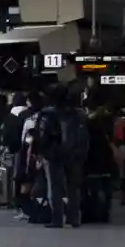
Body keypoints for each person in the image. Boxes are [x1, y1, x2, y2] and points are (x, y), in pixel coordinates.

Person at [38, 89, 90, 228]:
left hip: (55, 155)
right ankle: (74, 218)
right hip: (75, 155)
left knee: (56, 188)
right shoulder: (80, 115)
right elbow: (85, 136)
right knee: (73, 188)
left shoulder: (48, 114)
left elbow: (43, 136)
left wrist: (42, 151)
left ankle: (57, 219)